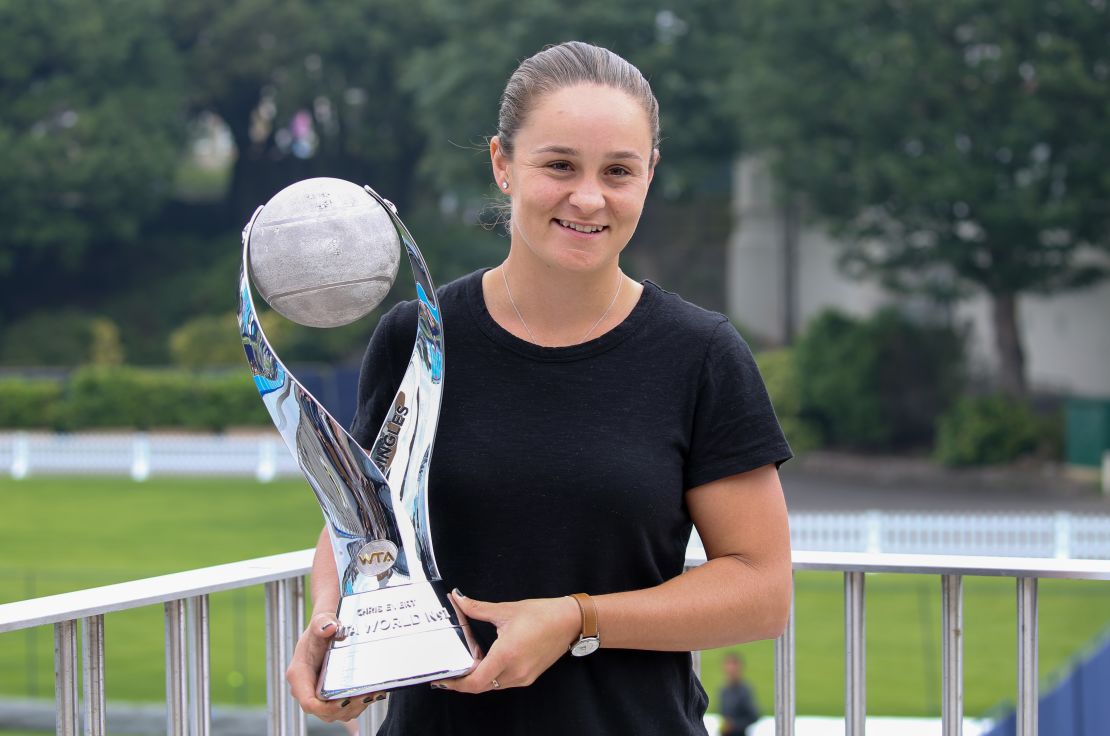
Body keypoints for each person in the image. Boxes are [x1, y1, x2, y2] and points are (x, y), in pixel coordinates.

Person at [285, 41, 793, 735]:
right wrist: (331, 627)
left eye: (619, 170)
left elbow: (761, 591)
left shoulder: (700, 355)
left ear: (650, 174)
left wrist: (578, 619)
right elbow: (360, 524)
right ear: (502, 164)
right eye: (559, 165)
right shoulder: (417, 339)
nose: (589, 197)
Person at [718, 653, 760, 736]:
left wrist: (734, 725)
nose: (730, 669)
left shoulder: (745, 691)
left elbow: (754, 716)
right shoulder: (723, 691)